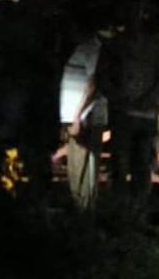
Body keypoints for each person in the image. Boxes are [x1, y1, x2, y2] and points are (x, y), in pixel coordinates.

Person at [98, 0, 159, 201]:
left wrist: (150, 98)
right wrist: (120, 98)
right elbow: (103, 77)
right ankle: (121, 205)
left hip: (141, 113)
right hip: (126, 112)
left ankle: (136, 206)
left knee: (141, 163)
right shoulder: (115, 45)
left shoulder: (153, 45)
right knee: (121, 163)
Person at [59, 30, 108, 209]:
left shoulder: (91, 48)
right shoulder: (78, 47)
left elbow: (93, 84)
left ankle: (85, 209)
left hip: (86, 118)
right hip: (75, 116)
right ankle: (80, 207)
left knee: (83, 167)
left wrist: (78, 116)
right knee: (76, 165)